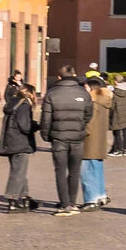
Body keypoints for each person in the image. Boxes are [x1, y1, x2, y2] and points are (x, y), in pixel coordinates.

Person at [42, 68, 94, 215]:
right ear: (74, 76)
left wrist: (46, 135)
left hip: (59, 137)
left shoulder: (52, 93)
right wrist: (80, 126)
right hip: (78, 137)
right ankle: (72, 202)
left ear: (59, 77)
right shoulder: (83, 93)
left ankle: (65, 204)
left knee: (60, 170)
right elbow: (89, 114)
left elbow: (46, 118)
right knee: (74, 171)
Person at [0, 79, 42, 210]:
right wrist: (36, 126)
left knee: (19, 171)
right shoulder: (24, 106)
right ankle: (12, 199)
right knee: (18, 172)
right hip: (20, 142)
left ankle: (25, 198)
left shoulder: (12, 104)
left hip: (10, 142)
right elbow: (25, 126)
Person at [80, 74, 114, 210]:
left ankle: (91, 199)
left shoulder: (93, 103)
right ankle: (101, 195)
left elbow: (89, 123)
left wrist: (81, 133)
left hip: (90, 140)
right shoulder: (104, 101)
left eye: (86, 87)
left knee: (87, 170)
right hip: (99, 139)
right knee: (97, 169)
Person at [107, 79, 126, 157]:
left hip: (117, 114)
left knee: (117, 133)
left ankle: (118, 150)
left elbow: (112, 105)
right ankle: (124, 150)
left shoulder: (115, 93)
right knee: (125, 133)